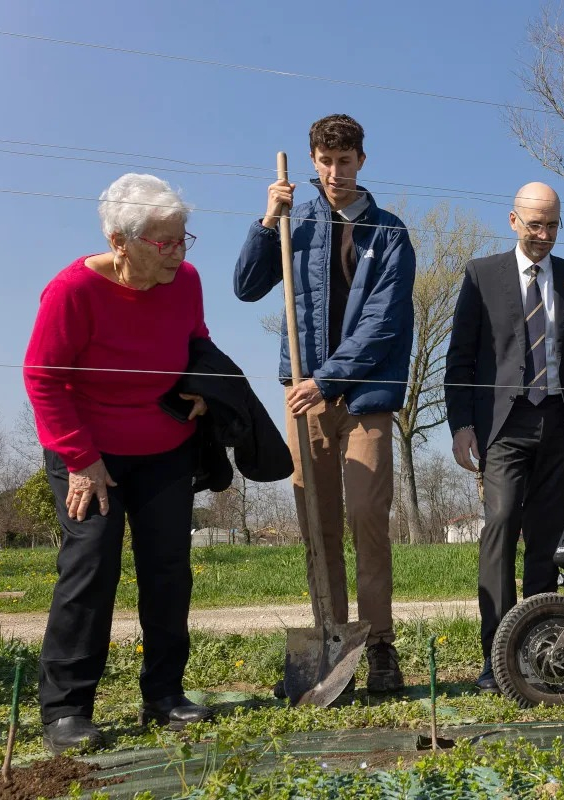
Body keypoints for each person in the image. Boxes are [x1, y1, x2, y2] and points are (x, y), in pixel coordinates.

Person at [24, 174, 215, 754]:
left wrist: (202, 388)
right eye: (164, 243)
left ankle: (164, 693)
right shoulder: (71, 291)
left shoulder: (185, 280)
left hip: (163, 447)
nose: (178, 254)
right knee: (90, 565)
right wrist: (81, 460)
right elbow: (43, 379)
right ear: (119, 240)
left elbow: (196, 339)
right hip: (89, 452)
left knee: (168, 570)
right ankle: (66, 709)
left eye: (183, 239)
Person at [234, 114, 415, 692]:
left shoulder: (390, 235)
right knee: (318, 524)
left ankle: (380, 643)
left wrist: (330, 378)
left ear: (362, 160)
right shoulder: (294, 222)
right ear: (313, 161)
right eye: (325, 161)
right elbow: (245, 286)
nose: (334, 172)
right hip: (304, 394)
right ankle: (334, 646)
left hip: (362, 396)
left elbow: (384, 324)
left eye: (344, 161)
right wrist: (267, 222)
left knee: (366, 517)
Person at [444, 182, 564, 692]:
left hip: (559, 424)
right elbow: (460, 358)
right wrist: (462, 424)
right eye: (535, 225)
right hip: (503, 425)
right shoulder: (481, 275)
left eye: (553, 225)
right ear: (513, 220)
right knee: (500, 524)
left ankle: (534, 651)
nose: (544, 235)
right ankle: (495, 655)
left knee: (546, 538)